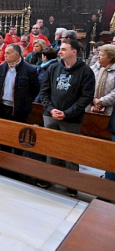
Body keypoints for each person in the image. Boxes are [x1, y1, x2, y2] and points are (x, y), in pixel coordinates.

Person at [39, 40, 95, 196]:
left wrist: (67, 113)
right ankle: (50, 177)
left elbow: (86, 97)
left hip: (71, 118)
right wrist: (50, 109)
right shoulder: (53, 68)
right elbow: (44, 91)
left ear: (74, 51)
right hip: (50, 115)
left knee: (70, 151)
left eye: (64, 49)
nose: (60, 51)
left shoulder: (85, 71)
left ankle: (71, 183)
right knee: (50, 148)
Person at [0, 43, 40, 123]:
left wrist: (25, 100)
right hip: (2, 106)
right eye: (5, 53)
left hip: (20, 109)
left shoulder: (29, 70)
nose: (5, 55)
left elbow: (35, 89)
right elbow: (0, 84)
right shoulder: (2, 67)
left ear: (16, 54)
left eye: (8, 53)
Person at [87, 44, 115, 115]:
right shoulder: (92, 69)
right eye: (98, 54)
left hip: (111, 110)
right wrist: (93, 99)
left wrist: (101, 101)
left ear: (110, 57)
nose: (98, 57)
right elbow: (85, 86)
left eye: (102, 55)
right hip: (89, 106)